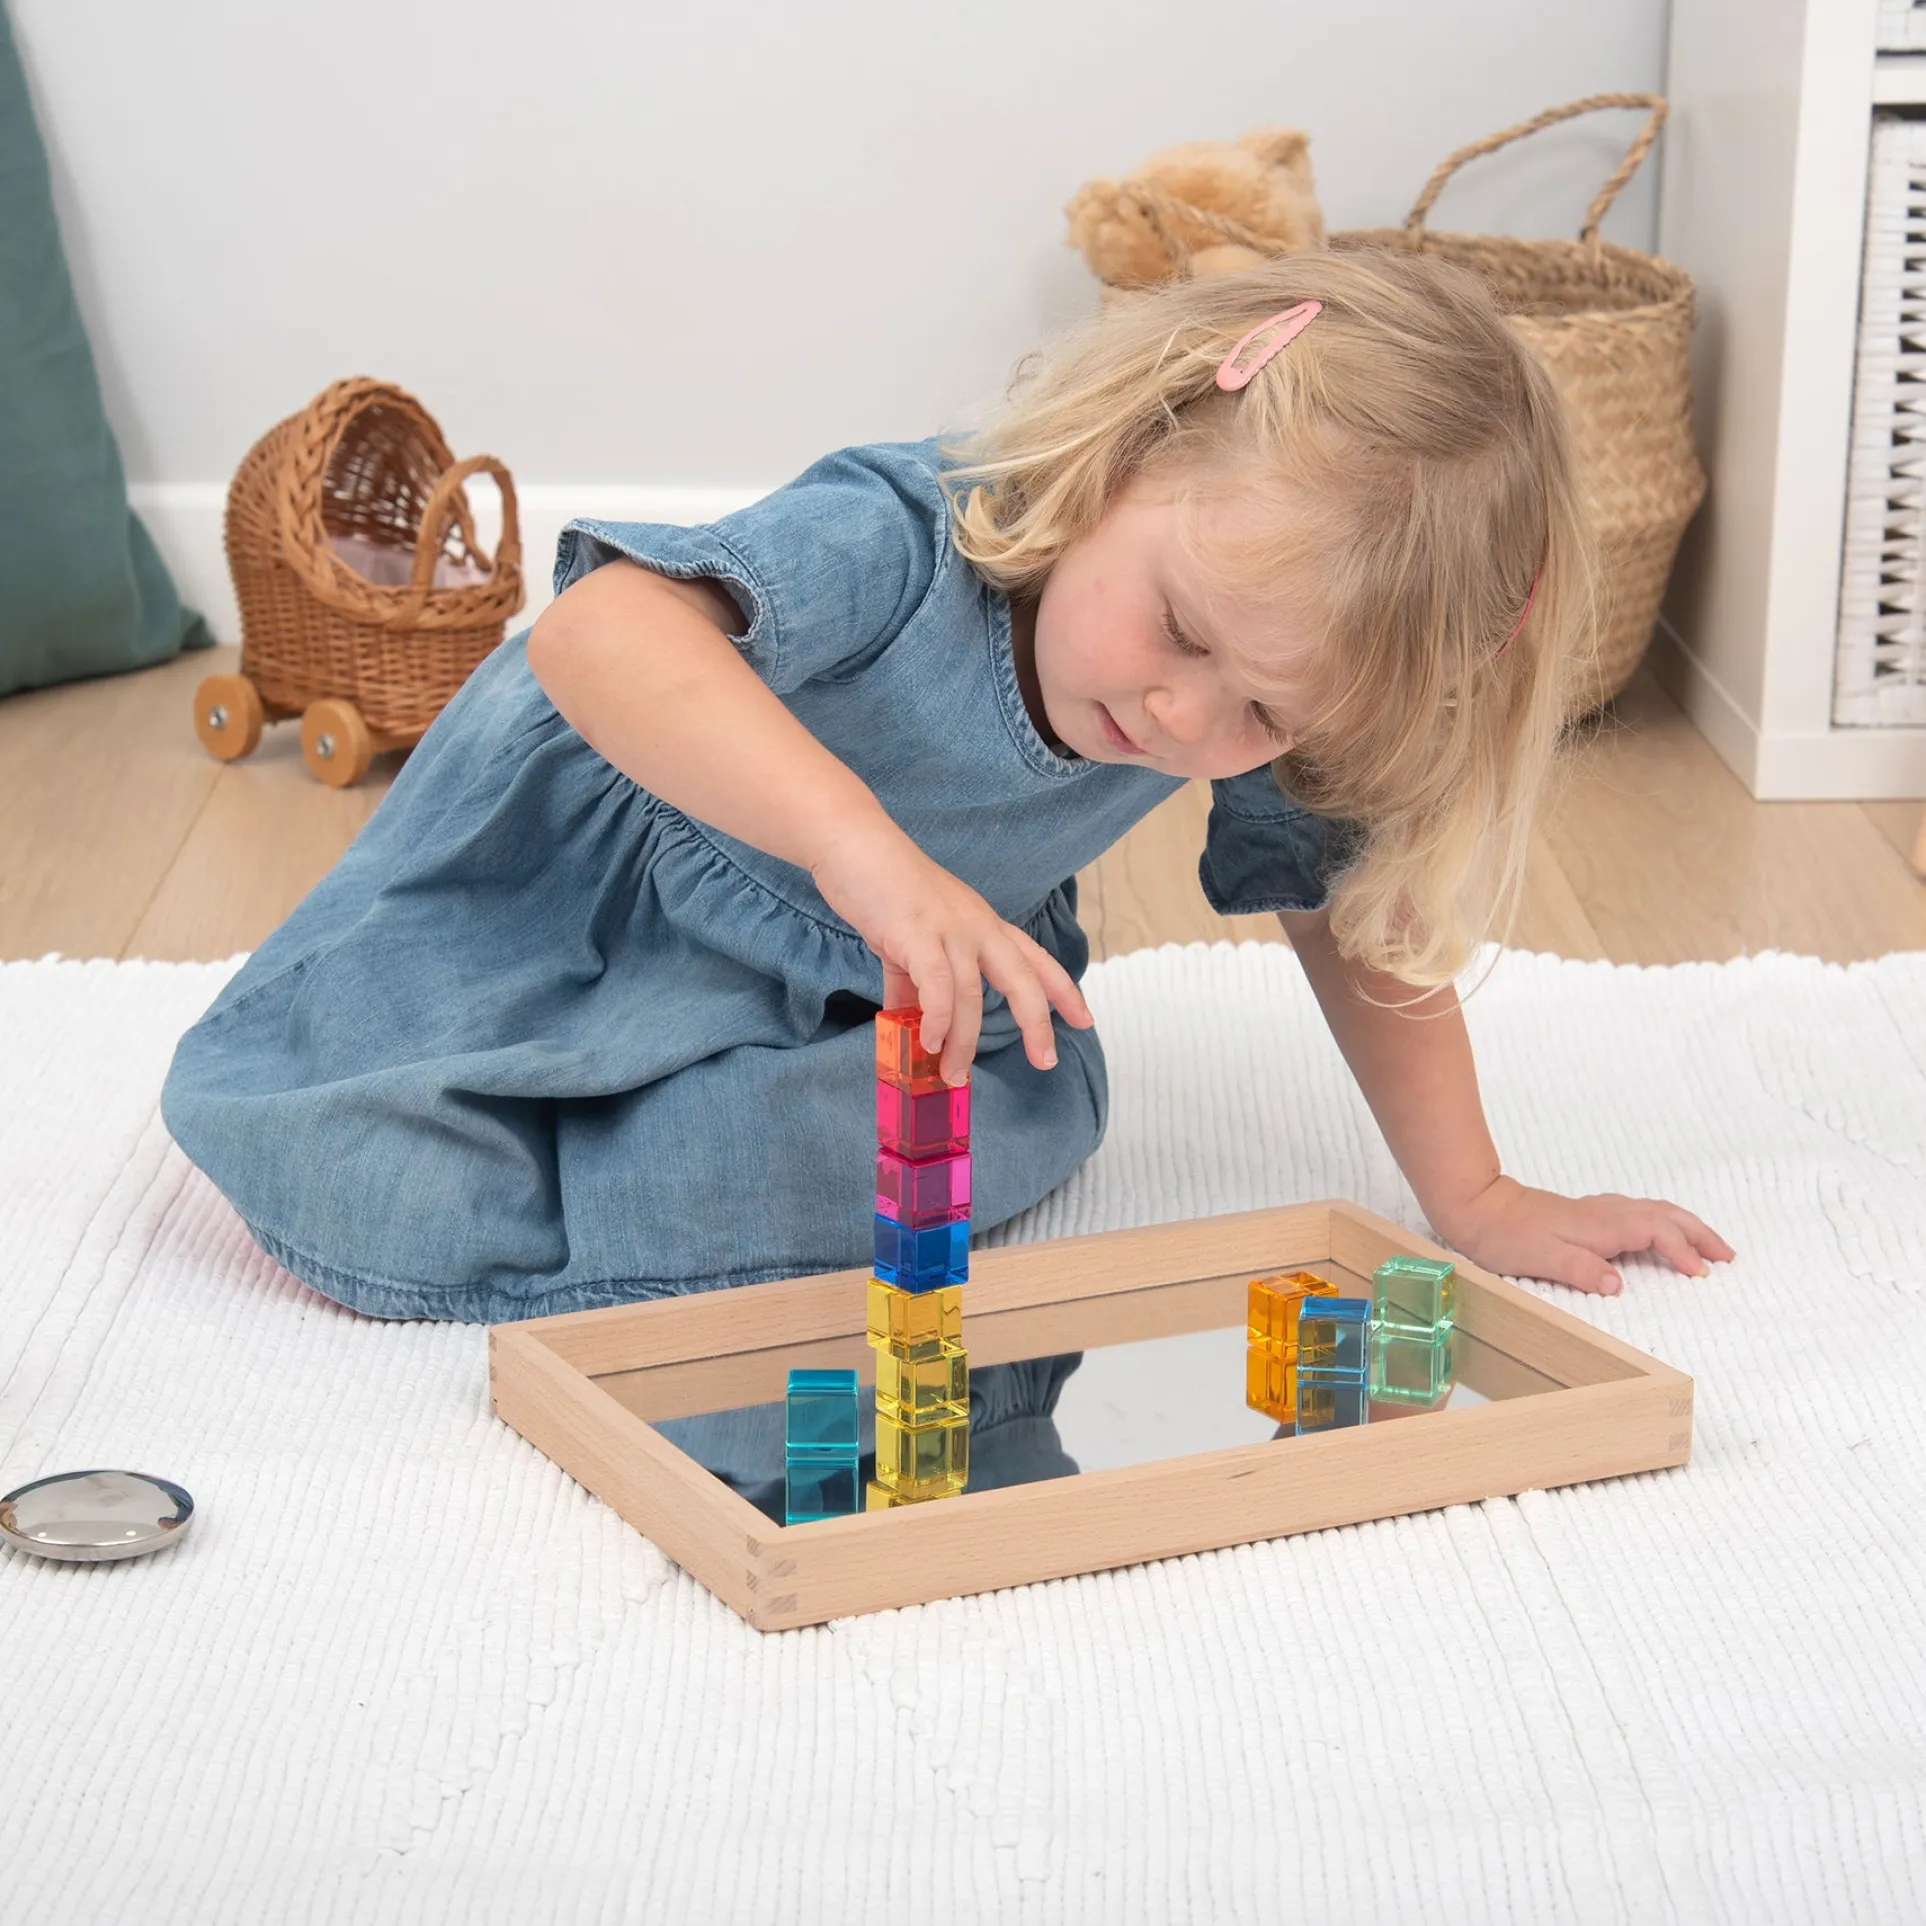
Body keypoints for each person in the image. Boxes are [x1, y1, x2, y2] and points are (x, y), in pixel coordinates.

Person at [161, 249, 1732, 1323]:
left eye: (1260, 713)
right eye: (1181, 629)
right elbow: (592, 634)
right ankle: (516, 1130)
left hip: (857, 976)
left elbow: (1349, 904)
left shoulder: (1255, 682)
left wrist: (1475, 1193)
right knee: (351, 1152)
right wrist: (865, 853)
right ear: (1130, 452)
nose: (1181, 716)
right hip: (575, 903)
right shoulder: (908, 528)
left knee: (1019, 1120)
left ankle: (636, 1146)